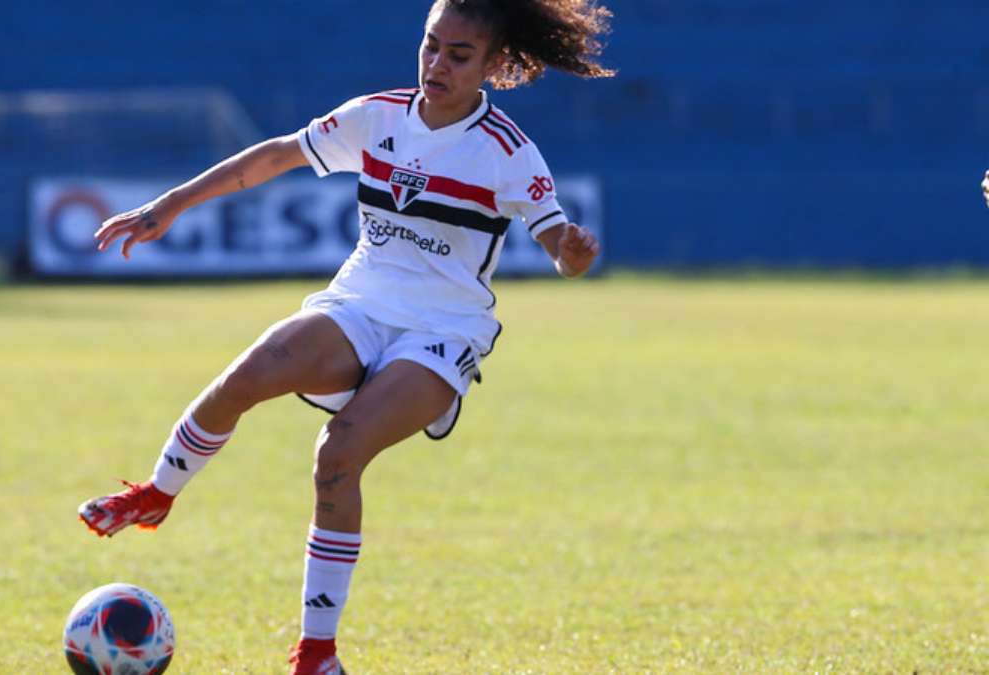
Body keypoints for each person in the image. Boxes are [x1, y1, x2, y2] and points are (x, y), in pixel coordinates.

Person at [78, 0, 612, 672]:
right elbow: (276, 156)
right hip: (360, 300)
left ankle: (316, 654)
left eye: (458, 54)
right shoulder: (377, 115)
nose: (436, 64)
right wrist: (170, 204)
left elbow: (560, 245)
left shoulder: (508, 154)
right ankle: (155, 493)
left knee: (338, 453)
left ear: (496, 65)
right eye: (430, 45)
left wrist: (575, 251)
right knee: (250, 372)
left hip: (441, 330)